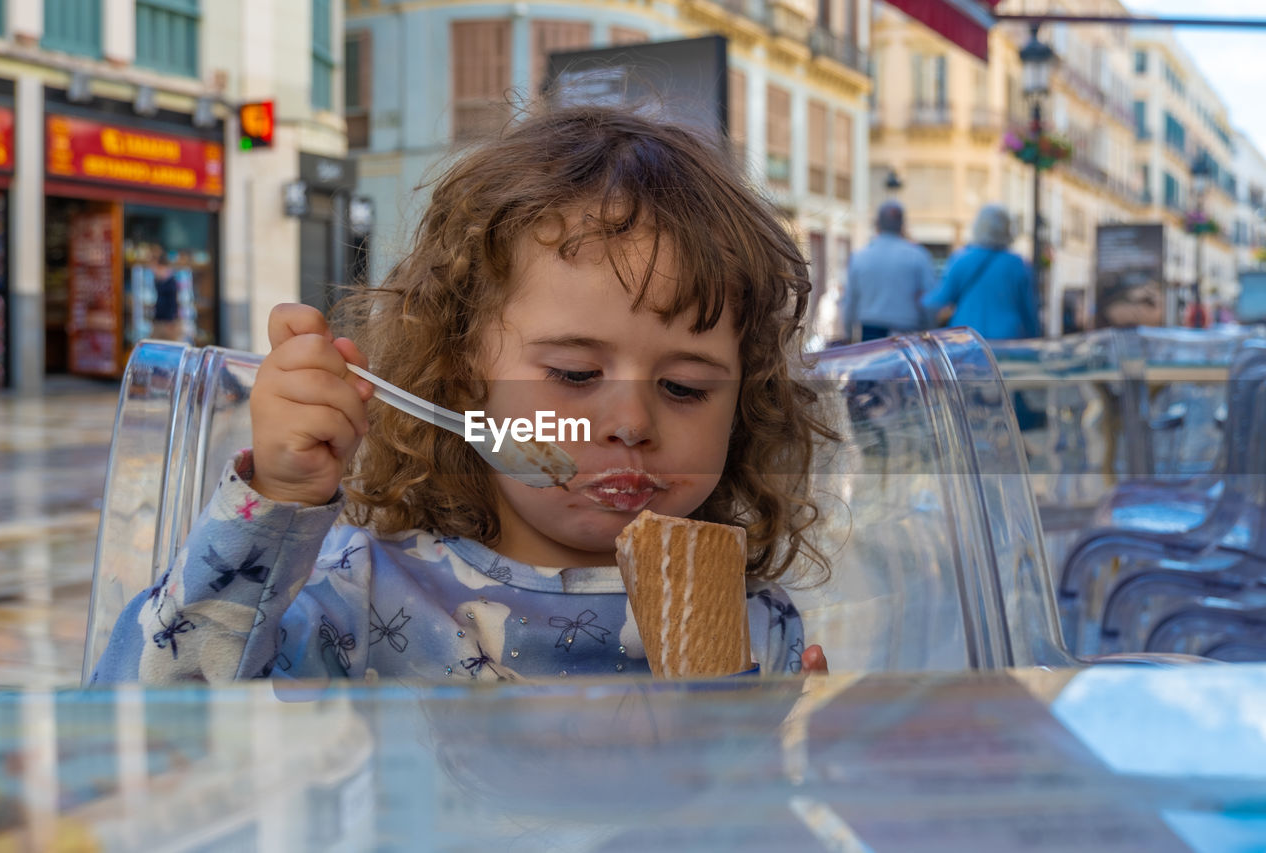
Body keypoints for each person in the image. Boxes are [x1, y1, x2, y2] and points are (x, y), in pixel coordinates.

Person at [92, 104, 836, 685]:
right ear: (459, 371)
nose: (631, 422)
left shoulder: (756, 625)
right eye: (575, 374)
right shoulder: (366, 592)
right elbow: (150, 727)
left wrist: (792, 764)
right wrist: (277, 503)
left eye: (685, 386)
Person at [922, 204, 1040, 340]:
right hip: (1007, 337)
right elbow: (1029, 311)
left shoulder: (961, 259)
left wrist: (920, 299)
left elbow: (941, 298)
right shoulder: (1018, 264)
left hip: (967, 337)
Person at [842, 201, 936, 342]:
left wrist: (848, 334)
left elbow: (850, 301)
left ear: (877, 224)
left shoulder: (860, 257)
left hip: (870, 331)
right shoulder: (918, 256)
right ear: (902, 225)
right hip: (907, 331)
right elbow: (928, 300)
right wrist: (930, 329)